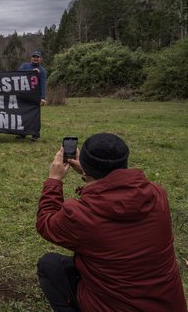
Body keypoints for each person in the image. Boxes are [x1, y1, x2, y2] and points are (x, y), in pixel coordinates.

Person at [36, 133, 186, 312]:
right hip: (169, 306)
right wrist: (88, 176)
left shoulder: (83, 215)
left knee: (50, 265)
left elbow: (46, 222)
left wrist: (54, 180)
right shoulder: (157, 194)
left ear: (86, 165)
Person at [16, 50, 46, 141]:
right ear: (31, 58)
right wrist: (31, 71)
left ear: (40, 59)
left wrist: (43, 98)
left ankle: (35, 134)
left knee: (34, 116)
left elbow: (43, 84)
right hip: (24, 94)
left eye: (37, 57)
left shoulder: (42, 70)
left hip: (35, 96)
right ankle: (22, 133)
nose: (35, 59)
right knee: (22, 114)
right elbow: (17, 73)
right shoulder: (25, 65)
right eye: (34, 57)